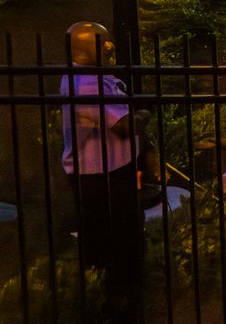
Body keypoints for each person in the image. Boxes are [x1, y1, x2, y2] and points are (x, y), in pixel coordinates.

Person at [60, 21, 146, 323]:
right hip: (98, 177)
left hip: (115, 171)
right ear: (88, 47)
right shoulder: (84, 85)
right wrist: (144, 113)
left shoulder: (97, 77)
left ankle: (123, 303)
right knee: (108, 247)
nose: (110, 46)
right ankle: (112, 309)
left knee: (124, 242)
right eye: (104, 41)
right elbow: (124, 127)